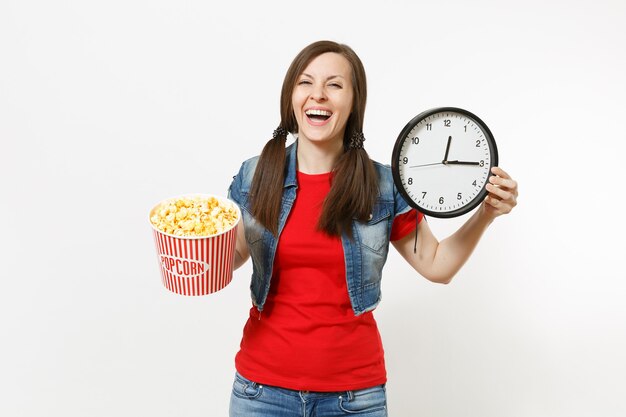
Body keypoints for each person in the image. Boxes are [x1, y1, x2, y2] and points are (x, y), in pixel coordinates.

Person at [227, 40, 518, 417]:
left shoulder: (382, 185)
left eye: (334, 84)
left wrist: (486, 214)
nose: (318, 94)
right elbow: (229, 258)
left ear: (353, 101)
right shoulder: (255, 175)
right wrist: (189, 252)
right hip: (260, 393)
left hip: (354, 398)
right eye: (306, 82)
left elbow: (437, 265)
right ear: (291, 96)